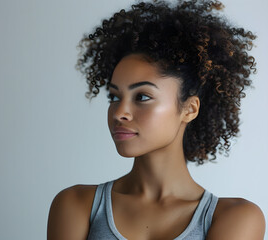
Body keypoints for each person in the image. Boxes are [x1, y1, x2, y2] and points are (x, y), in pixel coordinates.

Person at [47, 0, 266, 239]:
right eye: (114, 96)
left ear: (190, 109)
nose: (120, 112)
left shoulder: (234, 218)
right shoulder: (76, 205)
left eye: (141, 96)